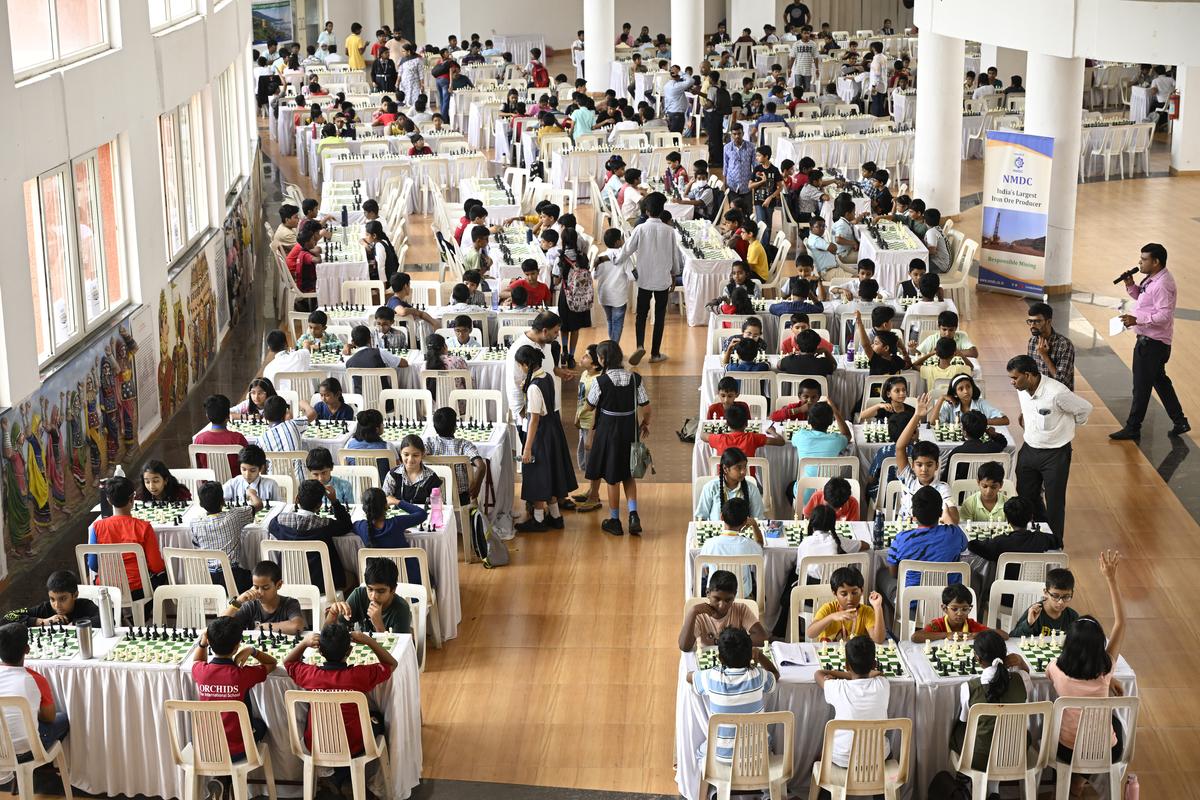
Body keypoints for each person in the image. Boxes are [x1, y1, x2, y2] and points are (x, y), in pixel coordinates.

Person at [1044, 553, 1126, 797]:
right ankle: (1080, 782)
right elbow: (1121, 623)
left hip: (1066, 751)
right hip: (1106, 751)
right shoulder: (1106, 668)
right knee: (1115, 723)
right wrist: (1111, 578)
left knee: (1061, 726)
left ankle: (1071, 780)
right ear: (1099, 644)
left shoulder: (1056, 668)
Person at [284, 623, 397, 795]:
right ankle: (345, 777)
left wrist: (304, 643)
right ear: (350, 651)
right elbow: (391, 663)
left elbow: (288, 662)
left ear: (320, 651)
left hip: (315, 743)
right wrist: (368, 641)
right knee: (378, 718)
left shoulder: (310, 675)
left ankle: (337, 776)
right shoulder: (359, 675)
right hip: (354, 744)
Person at [1008, 354, 1091, 544]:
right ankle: (1035, 533)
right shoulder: (1022, 389)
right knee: (1025, 495)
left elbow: (1085, 409)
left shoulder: (1057, 393)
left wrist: (1067, 427)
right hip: (1030, 448)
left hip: (1055, 454)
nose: (1012, 382)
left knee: (1054, 501)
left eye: (1014, 378)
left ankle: (1055, 542)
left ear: (1028, 375)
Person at [1111, 243, 1190, 439]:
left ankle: (1133, 427)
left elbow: (1164, 315)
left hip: (1152, 344)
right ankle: (1180, 421)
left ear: (1156, 262)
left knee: (1141, 386)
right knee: (1160, 381)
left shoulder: (1163, 284)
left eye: (1144, 259)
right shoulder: (1154, 278)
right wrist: (1130, 285)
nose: (1139, 262)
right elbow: (1144, 299)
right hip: (1154, 342)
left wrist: (1137, 320)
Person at [191, 616, 274, 786]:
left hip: (205, 748)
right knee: (260, 725)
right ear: (237, 646)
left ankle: (222, 780)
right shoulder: (241, 675)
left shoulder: (201, 671)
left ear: (210, 644)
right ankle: (227, 781)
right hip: (238, 751)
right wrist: (252, 651)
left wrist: (203, 642)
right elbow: (272, 664)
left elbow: (197, 660)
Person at [584, 341, 651, 536]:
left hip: (608, 433)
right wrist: (645, 423)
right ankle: (633, 514)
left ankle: (614, 520)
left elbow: (589, 406)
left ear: (603, 359)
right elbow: (646, 407)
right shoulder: (635, 378)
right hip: (630, 430)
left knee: (612, 477)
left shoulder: (600, 381)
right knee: (628, 473)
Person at [609, 193, 683, 365]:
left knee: (641, 315)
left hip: (644, 280)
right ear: (662, 210)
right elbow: (675, 257)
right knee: (659, 316)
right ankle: (655, 353)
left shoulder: (640, 229)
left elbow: (626, 250)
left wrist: (613, 259)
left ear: (647, 211)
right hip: (663, 281)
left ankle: (640, 344)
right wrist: (674, 274)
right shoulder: (669, 231)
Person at [687, 627, 778, 763]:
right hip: (756, 760)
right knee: (768, 741)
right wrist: (759, 654)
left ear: (720, 658)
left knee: (700, 750)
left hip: (720, 759)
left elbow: (689, 677)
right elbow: (775, 675)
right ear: (750, 655)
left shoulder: (712, 677)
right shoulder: (758, 675)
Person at [947, 630, 1032, 770]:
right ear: (1005, 654)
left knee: (958, 729)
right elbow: (1025, 674)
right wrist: (1021, 661)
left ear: (977, 658)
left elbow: (966, 720)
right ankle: (994, 787)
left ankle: (962, 779)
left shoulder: (969, 688)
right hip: (1017, 754)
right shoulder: (1022, 679)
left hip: (980, 759)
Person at [814, 635, 890, 768]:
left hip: (843, 759)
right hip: (877, 758)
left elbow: (818, 673)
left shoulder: (838, 687)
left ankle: (823, 786)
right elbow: (880, 674)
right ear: (874, 664)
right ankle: (882, 784)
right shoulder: (883, 685)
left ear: (846, 665)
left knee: (819, 756)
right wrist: (859, 673)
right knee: (888, 750)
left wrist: (842, 674)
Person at [883, 486, 969, 601]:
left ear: (914, 514)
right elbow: (965, 545)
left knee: (881, 574)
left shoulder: (901, 539)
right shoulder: (954, 534)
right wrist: (947, 517)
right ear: (940, 513)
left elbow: (894, 573)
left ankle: (893, 615)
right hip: (948, 601)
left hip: (912, 602)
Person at [86, 476, 165, 598]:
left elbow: (93, 565)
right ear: (132, 499)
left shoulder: (96, 527)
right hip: (138, 589)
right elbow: (156, 566)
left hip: (107, 590)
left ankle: (117, 615)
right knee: (162, 575)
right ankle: (141, 614)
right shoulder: (144, 527)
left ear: (108, 500)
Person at [0, 624, 70, 761]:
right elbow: (49, 718)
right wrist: (31, 710)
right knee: (62, 719)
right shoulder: (36, 679)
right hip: (25, 752)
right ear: (27, 649)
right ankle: (43, 763)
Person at [267, 479, 352, 591]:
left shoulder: (278, 521)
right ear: (320, 505)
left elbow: (271, 527)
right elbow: (346, 525)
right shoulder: (325, 525)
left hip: (286, 583)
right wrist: (334, 501)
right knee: (351, 576)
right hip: (321, 586)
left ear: (297, 498)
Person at [894, 397, 958, 522]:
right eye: (919, 465)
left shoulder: (942, 488)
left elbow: (954, 519)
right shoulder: (908, 479)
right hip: (905, 532)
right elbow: (900, 447)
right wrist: (917, 416)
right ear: (912, 465)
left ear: (937, 465)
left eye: (929, 465)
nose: (924, 469)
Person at [191, 480, 261, 592]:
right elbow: (258, 505)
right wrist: (252, 493)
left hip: (209, 580)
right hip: (235, 577)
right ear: (223, 501)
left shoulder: (195, 523)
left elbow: (196, 545)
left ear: (201, 504)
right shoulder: (235, 515)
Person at [678, 569, 767, 650]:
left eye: (728, 600)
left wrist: (729, 643)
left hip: (733, 660)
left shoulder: (741, 609)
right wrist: (692, 612)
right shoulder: (699, 614)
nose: (722, 605)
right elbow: (684, 646)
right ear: (708, 593)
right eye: (717, 599)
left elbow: (762, 638)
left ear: (734, 596)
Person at [326, 557, 413, 634]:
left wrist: (379, 625)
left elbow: (399, 649)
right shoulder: (359, 595)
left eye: (381, 591)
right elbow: (331, 634)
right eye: (370, 589)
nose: (373, 596)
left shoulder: (401, 608)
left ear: (393, 590)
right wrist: (332, 614)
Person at [966, 496, 1058, 569]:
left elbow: (972, 545)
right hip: (1034, 585)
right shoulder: (1040, 539)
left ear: (1007, 519)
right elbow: (1057, 541)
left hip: (1005, 586)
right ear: (1031, 517)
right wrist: (1038, 533)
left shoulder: (1000, 542)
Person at [221, 560, 306, 634]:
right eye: (256, 587)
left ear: (279, 584)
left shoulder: (290, 603)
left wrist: (264, 626)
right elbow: (220, 625)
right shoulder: (250, 605)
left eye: (266, 588)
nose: (260, 592)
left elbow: (297, 626)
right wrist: (238, 601)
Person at [424, 407, 487, 507]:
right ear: (455, 427)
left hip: (434, 497)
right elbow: (481, 466)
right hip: (462, 498)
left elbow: (418, 455)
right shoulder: (464, 445)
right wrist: (477, 486)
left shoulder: (429, 443)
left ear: (435, 427)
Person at [790, 400, 850, 499]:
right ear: (831, 422)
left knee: (789, 487)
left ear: (809, 420)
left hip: (804, 494)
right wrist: (835, 411)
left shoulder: (800, 435)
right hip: (830, 495)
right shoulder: (836, 439)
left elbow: (793, 441)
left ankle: (800, 511)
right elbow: (847, 435)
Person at [808, 567, 885, 643]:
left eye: (854, 593)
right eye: (844, 594)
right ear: (835, 593)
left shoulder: (866, 612)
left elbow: (878, 640)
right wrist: (831, 617)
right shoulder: (828, 609)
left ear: (861, 591)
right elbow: (810, 633)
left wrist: (877, 607)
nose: (850, 598)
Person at [8, 570, 100, 628]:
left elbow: (105, 619)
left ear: (75, 595)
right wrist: (42, 621)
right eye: (52, 599)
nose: (56, 605)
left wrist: (74, 624)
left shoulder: (85, 605)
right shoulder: (45, 609)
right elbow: (8, 617)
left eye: (63, 599)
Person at [700, 403, 785, 461]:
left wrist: (715, 431)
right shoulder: (753, 438)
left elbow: (702, 435)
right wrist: (773, 432)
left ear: (727, 424)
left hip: (724, 481)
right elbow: (781, 442)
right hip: (748, 480)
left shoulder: (719, 439)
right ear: (747, 423)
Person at [912, 584, 995, 642]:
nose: (959, 613)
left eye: (965, 609)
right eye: (954, 609)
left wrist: (975, 635)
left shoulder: (971, 625)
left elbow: (1003, 635)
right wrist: (946, 635)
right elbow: (915, 637)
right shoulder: (938, 624)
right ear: (944, 608)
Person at [593, 229, 633, 342]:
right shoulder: (624, 258)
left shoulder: (601, 256)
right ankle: (613, 349)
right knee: (617, 323)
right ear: (617, 242)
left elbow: (595, 276)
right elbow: (632, 277)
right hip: (618, 297)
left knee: (610, 320)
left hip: (604, 296)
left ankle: (611, 345)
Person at [380, 434, 443, 507]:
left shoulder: (431, 478)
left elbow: (438, 505)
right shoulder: (393, 475)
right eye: (406, 455)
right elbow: (384, 499)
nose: (410, 460)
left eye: (415, 455)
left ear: (422, 455)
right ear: (400, 453)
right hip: (398, 516)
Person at [1025, 301, 1076, 391]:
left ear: (1048, 321)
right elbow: (1031, 372)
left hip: (1059, 397)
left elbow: (1062, 381)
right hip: (1039, 395)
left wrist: (1044, 356)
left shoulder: (1064, 345)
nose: (1032, 326)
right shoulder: (1032, 341)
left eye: (1037, 321)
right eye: (1030, 321)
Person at [932, 374, 1008, 426]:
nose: (966, 391)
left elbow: (1005, 420)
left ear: (973, 388)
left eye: (968, 387)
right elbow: (933, 422)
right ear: (955, 393)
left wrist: (979, 422)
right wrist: (941, 398)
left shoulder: (980, 403)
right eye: (961, 389)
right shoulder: (949, 405)